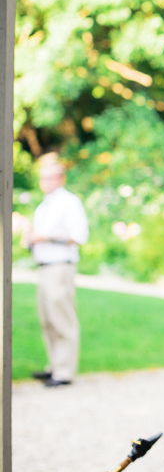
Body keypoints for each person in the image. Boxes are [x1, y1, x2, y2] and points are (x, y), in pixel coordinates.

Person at [25, 158, 90, 387]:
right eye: (42, 177)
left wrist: (46, 236)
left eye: (48, 177)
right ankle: (54, 365)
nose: (44, 182)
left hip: (60, 266)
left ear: (60, 179)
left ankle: (64, 372)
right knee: (47, 320)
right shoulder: (44, 206)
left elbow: (79, 236)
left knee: (62, 319)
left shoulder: (69, 202)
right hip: (43, 266)